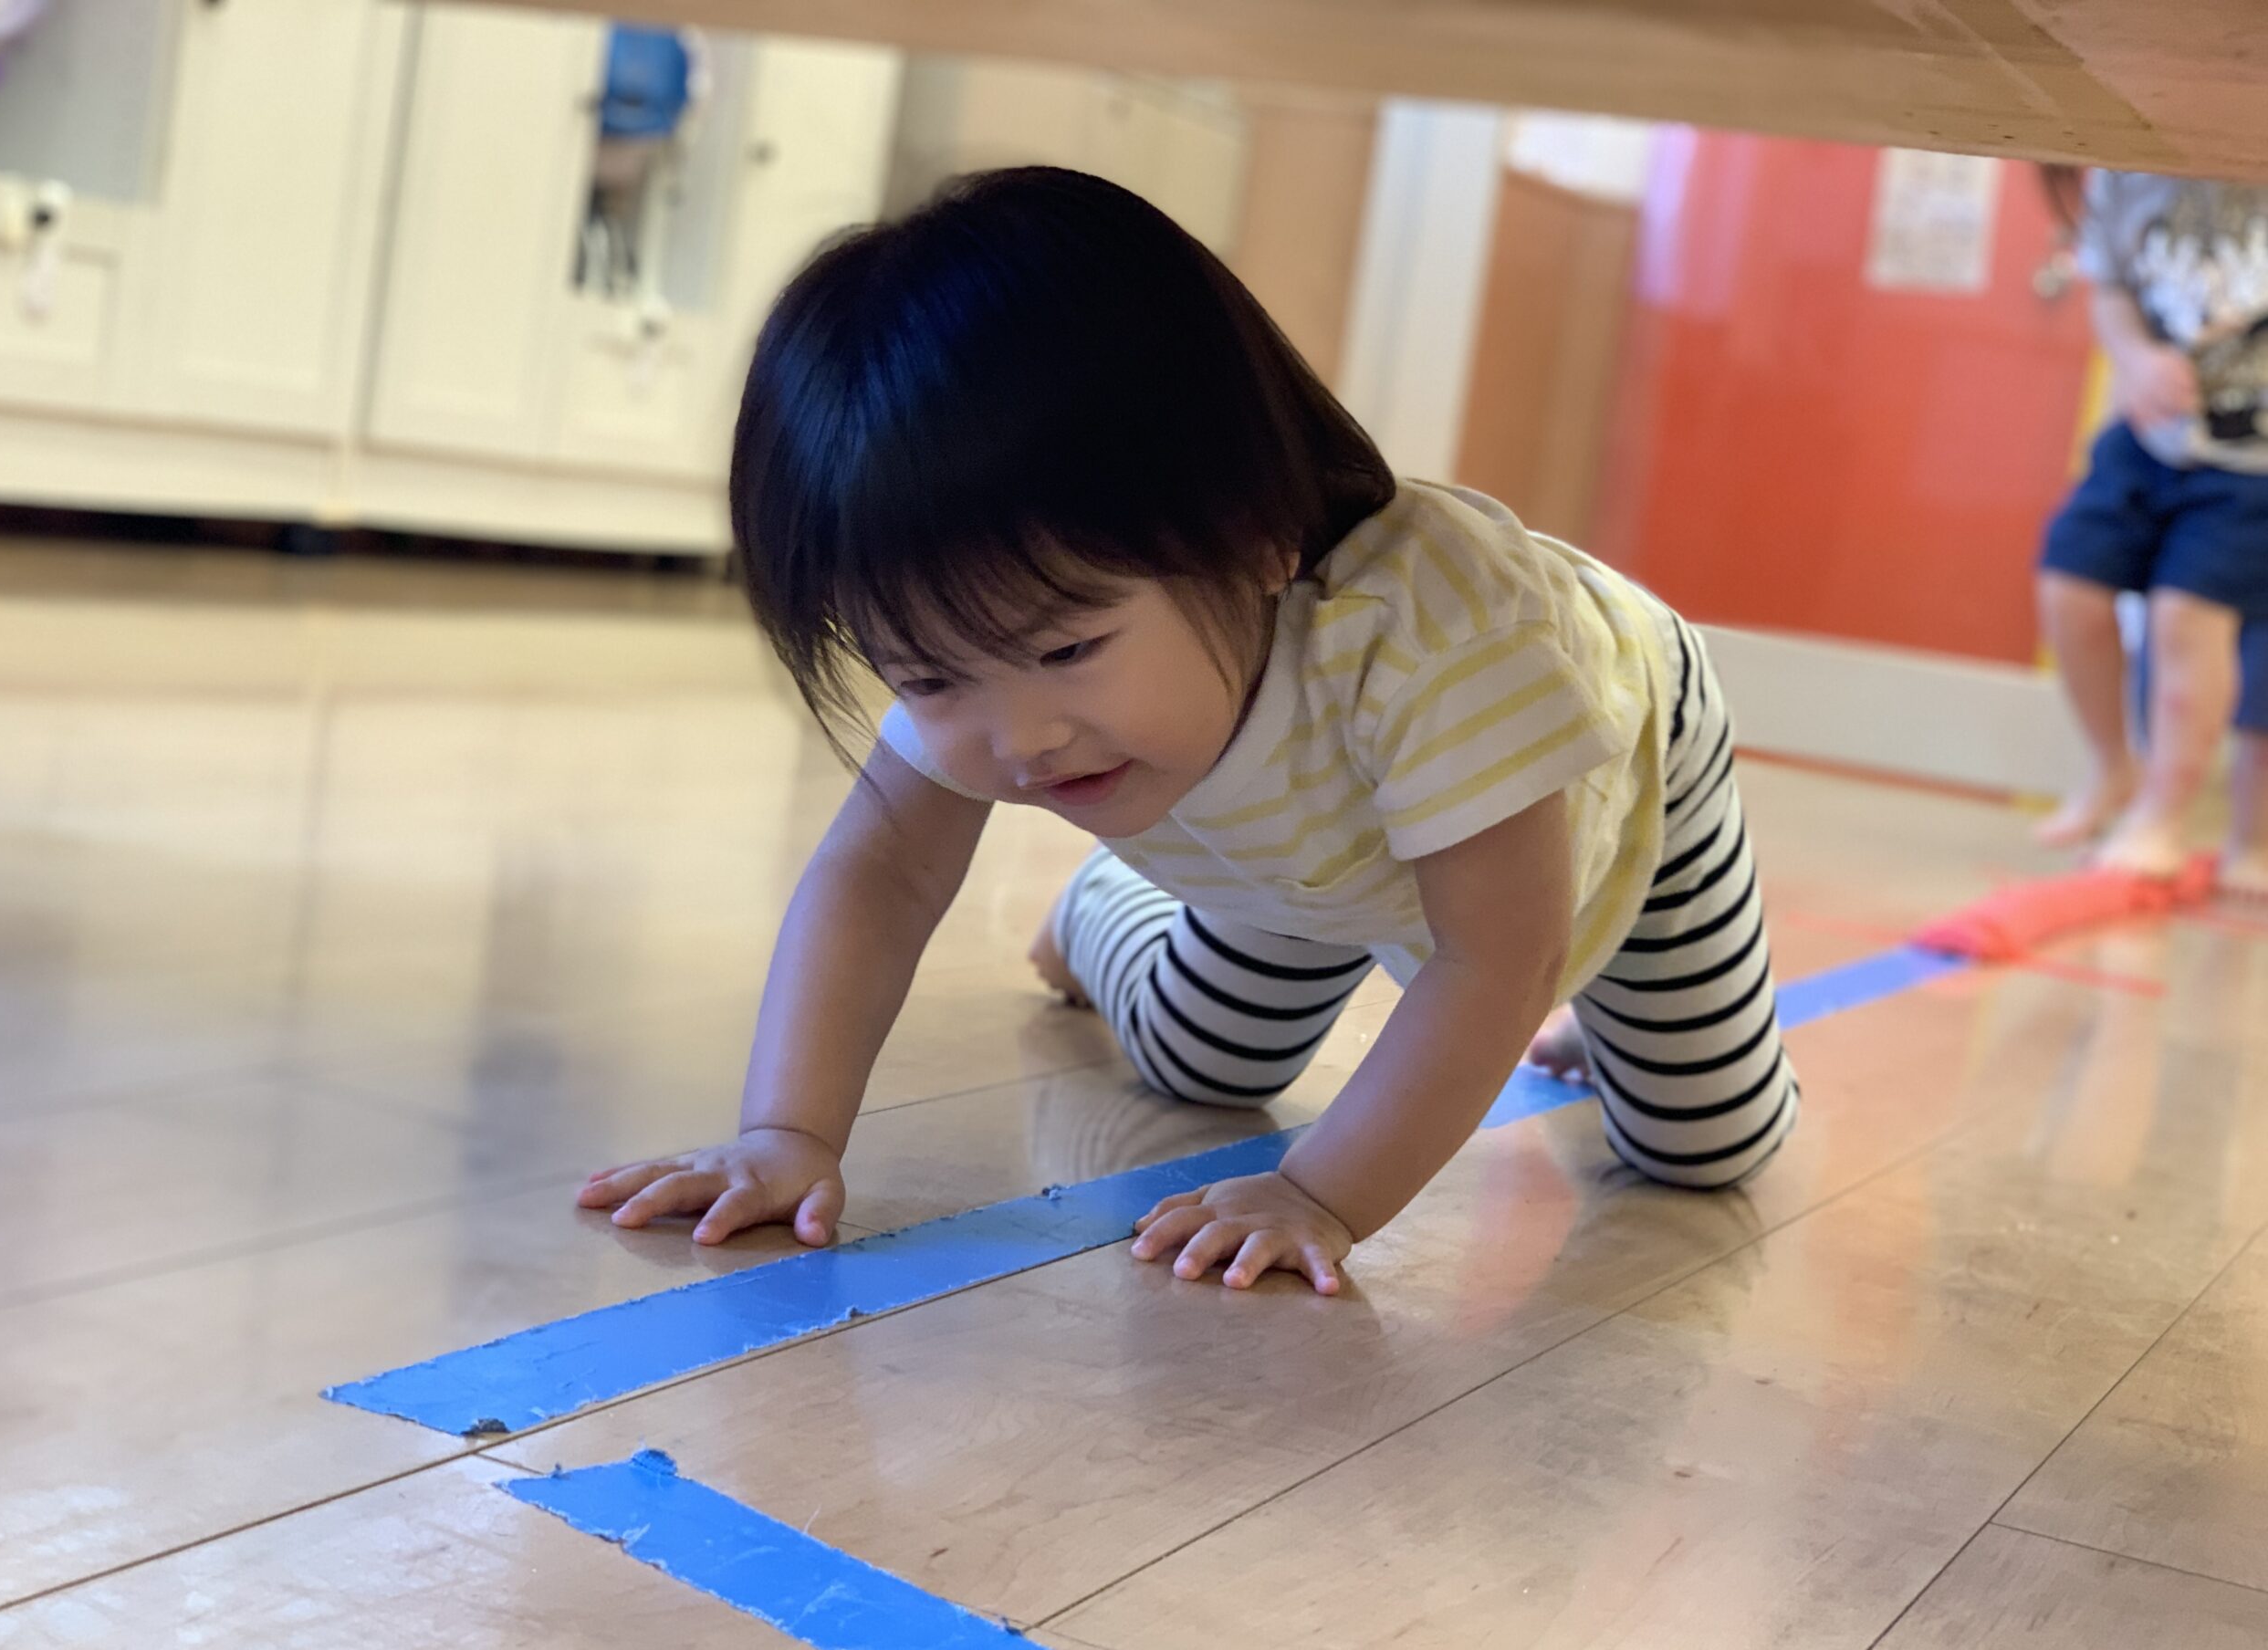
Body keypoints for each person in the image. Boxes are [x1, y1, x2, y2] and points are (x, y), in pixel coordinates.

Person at [576, 168, 1799, 1295]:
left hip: (1611, 791)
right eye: (929, 675)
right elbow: (879, 875)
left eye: (1066, 650)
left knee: (1701, 1146)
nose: (1021, 739)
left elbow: (1499, 960)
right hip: (1299, 854)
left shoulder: (1452, 641)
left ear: (1254, 531)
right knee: (1199, 1068)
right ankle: (1099, 917)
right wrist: (785, 1132)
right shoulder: (1008, 648)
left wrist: (1320, 1195)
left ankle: (1623, 1014)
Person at [2036, 172, 2268, 890]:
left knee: (2185, 616)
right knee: (2070, 582)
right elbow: (2111, 290)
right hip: (2150, 435)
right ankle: (2114, 768)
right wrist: (2136, 358)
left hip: (2251, 462)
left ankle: (2165, 816)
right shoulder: (2129, 174)